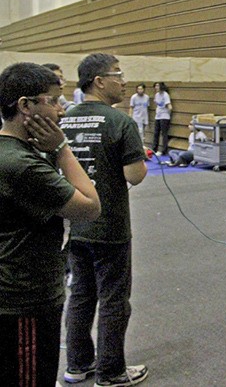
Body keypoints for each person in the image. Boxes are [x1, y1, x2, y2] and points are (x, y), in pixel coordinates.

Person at [0, 62, 100, 386]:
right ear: (25, 106)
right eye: (53, 100)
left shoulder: (14, 152)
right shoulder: (21, 164)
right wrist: (61, 148)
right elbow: (90, 207)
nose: (61, 110)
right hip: (25, 300)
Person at [60, 53, 149, 386]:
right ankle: (111, 372)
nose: (124, 81)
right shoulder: (120, 122)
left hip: (73, 225)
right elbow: (135, 175)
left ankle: (78, 365)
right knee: (113, 300)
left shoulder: (63, 119)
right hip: (109, 226)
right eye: (118, 74)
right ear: (99, 81)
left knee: (80, 296)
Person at [152, 81, 172, 156]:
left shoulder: (165, 95)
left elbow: (169, 106)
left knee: (164, 134)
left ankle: (164, 150)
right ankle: (154, 149)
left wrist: (168, 114)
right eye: (155, 86)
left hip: (164, 116)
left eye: (158, 86)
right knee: (156, 133)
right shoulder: (156, 95)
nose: (156, 87)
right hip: (158, 115)